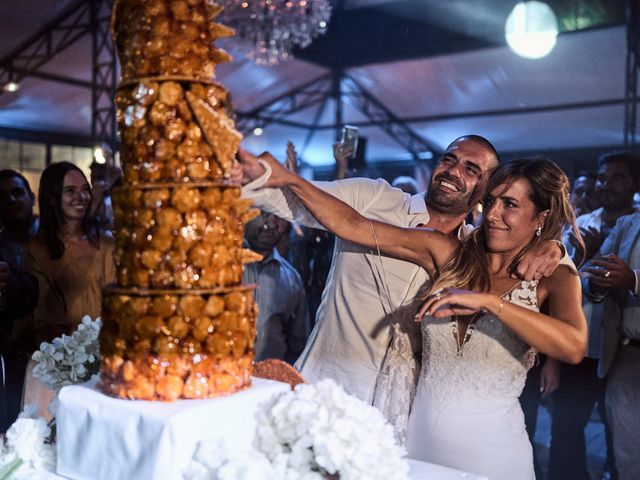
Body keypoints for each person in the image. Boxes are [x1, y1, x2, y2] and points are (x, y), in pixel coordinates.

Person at [252, 153, 588, 479]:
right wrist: (290, 179)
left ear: (541, 217)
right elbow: (354, 225)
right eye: (492, 201)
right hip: (418, 445)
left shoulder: (553, 275)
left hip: (493, 452)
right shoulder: (450, 253)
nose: (494, 215)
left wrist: (492, 303)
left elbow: (574, 346)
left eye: (510, 205)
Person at [240, 135, 567, 403]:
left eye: (471, 169)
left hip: (403, 408)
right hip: (326, 383)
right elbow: (294, 202)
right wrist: (256, 177)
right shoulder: (373, 197)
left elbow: (538, 267)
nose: (453, 171)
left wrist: (554, 246)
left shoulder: (477, 255)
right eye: (449, 159)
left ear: (486, 190)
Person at [550, 152, 639, 480]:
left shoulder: (633, 225)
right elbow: (561, 280)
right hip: (582, 344)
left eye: (617, 178)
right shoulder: (580, 226)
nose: (605, 185)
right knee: (567, 427)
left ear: (634, 184)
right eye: (602, 178)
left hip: (620, 347)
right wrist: (585, 257)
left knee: (623, 435)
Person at [23, 162, 115, 418]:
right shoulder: (38, 249)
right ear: (53, 198)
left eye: (85, 190)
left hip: (109, 355)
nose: (81, 197)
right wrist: (75, 360)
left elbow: (117, 302)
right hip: (62, 361)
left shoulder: (105, 243)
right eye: (70, 191)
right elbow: (44, 314)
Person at [581, 218, 640, 479]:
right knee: (626, 449)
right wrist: (597, 282)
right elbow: (590, 271)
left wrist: (633, 281)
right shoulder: (628, 224)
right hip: (627, 354)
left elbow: (630, 279)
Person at [244, 210, 311, 364]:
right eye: (264, 214)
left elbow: (298, 344)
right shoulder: (222, 267)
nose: (271, 224)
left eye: (279, 217)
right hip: (222, 379)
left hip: (270, 383)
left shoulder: (291, 279)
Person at [0, 169, 39, 431]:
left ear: (32, 197)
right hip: (10, 354)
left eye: (17, 193)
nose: (12, 200)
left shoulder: (55, 239)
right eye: (2, 197)